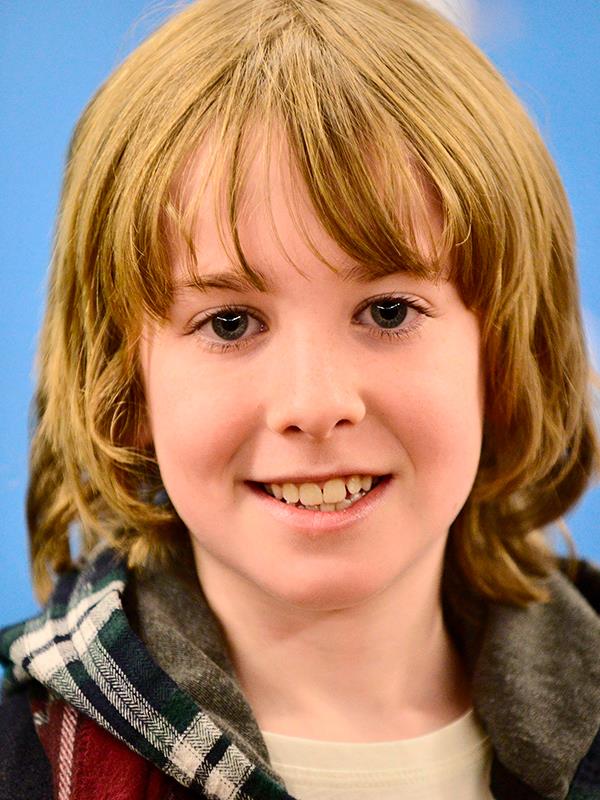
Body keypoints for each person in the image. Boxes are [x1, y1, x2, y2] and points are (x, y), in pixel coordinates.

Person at [1, 0, 598, 798]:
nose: (314, 405)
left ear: (507, 354)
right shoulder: (29, 766)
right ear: (124, 381)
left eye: (389, 312)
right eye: (230, 322)